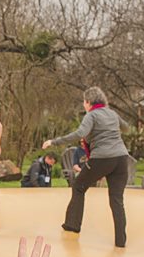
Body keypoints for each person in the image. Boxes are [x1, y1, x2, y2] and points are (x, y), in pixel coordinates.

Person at [44, 87, 131, 247]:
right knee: (117, 200)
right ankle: (121, 242)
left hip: (102, 158)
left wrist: (54, 141)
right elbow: (126, 128)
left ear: (88, 102)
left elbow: (80, 133)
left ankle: (72, 225)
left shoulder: (92, 115)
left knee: (78, 186)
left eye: (84, 102)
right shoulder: (111, 113)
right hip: (121, 158)